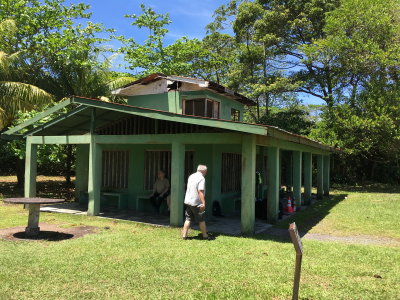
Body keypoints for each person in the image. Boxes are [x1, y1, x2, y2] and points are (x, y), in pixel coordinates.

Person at [182, 164, 211, 240]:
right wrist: (203, 203)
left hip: (188, 201)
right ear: (204, 171)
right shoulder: (201, 178)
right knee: (201, 219)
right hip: (196, 203)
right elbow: (200, 191)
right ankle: (205, 236)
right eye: (206, 171)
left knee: (188, 218)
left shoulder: (191, 176)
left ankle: (184, 235)